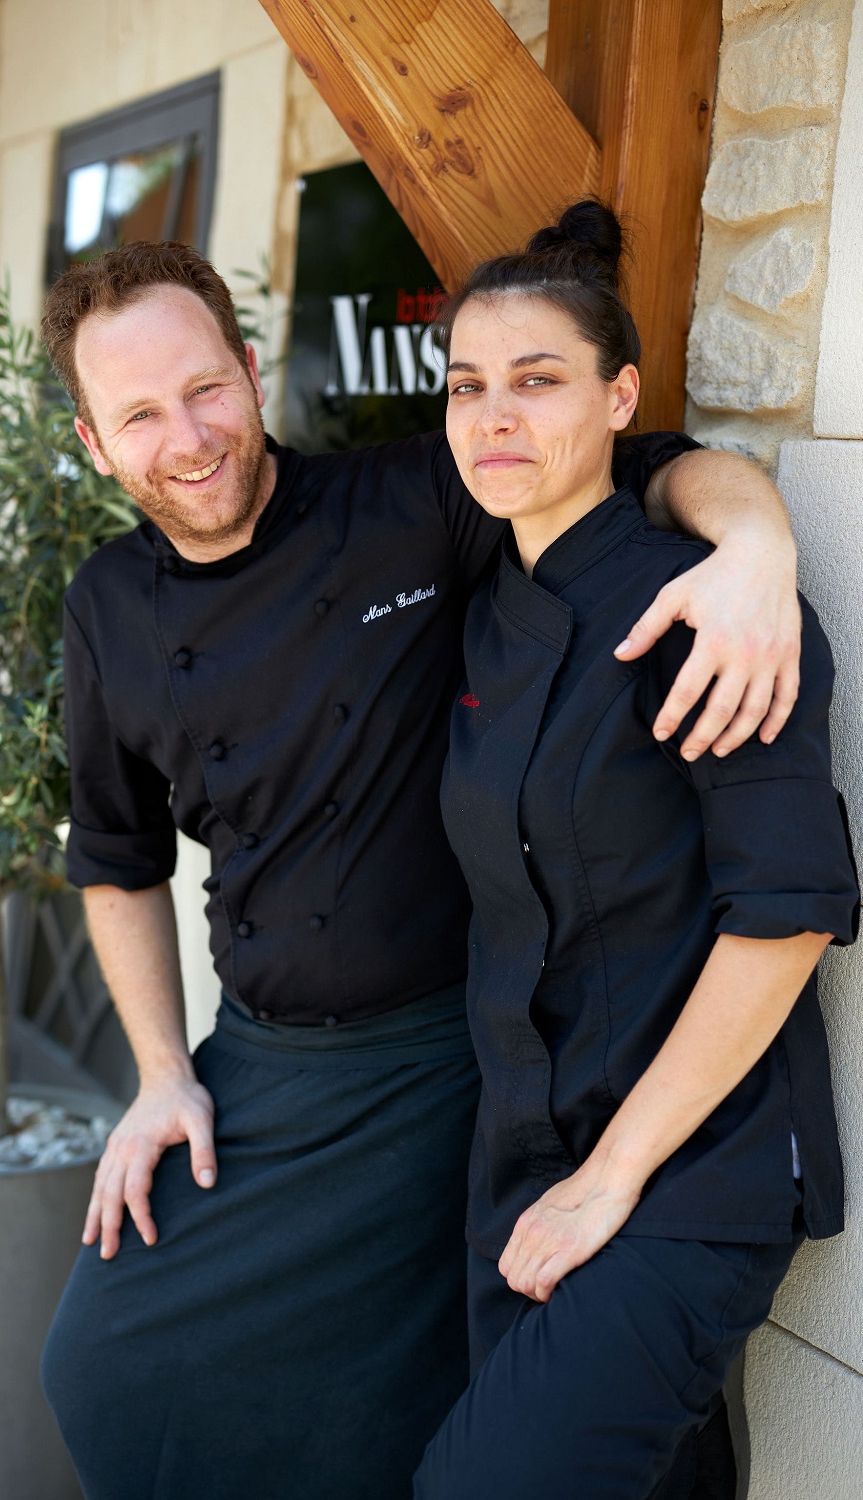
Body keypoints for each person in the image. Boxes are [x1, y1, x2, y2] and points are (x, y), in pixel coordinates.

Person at [38, 240, 805, 1500]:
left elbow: (647, 471)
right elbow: (115, 858)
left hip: (451, 1054)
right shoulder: (106, 604)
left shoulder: (411, 498)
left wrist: (759, 556)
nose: (188, 436)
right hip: (265, 1064)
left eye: (205, 388)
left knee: (421, 1389)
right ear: (92, 441)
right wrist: (161, 1074)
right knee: (105, 1367)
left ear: (246, 366)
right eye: (139, 414)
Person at [413, 202, 859, 1500]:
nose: (494, 416)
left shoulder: (713, 609)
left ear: (621, 401)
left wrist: (612, 1180)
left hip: (685, 1173)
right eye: (467, 387)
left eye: (536, 381)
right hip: (522, 1162)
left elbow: (786, 915)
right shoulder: (486, 606)